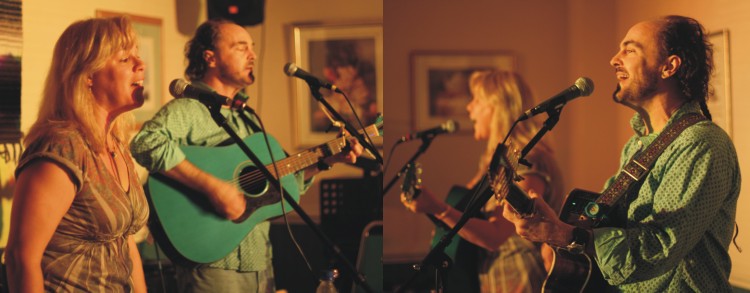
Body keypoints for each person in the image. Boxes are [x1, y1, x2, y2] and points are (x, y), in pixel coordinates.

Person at [502, 15, 740, 292]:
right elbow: (604, 223)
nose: (614, 59)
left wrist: (563, 234)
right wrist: (554, 227)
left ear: (669, 66)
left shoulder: (701, 143)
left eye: (630, 49)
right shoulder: (638, 145)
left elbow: (658, 246)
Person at [130, 19, 363, 292]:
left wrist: (327, 160)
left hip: (260, 261)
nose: (252, 55)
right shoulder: (189, 109)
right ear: (210, 57)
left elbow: (278, 183)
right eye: (241, 48)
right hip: (212, 265)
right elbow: (146, 142)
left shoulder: (247, 118)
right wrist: (213, 187)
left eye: (252, 48)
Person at [5, 17, 148, 292]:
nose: (140, 64)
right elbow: (21, 258)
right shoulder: (61, 148)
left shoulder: (115, 145)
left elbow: (125, 240)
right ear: (88, 75)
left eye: (137, 55)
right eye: (124, 59)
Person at [401, 70, 564, 293]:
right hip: (492, 278)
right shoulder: (493, 163)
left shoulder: (530, 161)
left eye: (477, 100)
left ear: (498, 107)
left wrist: (438, 209)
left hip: (520, 279)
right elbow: (465, 214)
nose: (469, 108)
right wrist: (429, 207)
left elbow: (495, 235)